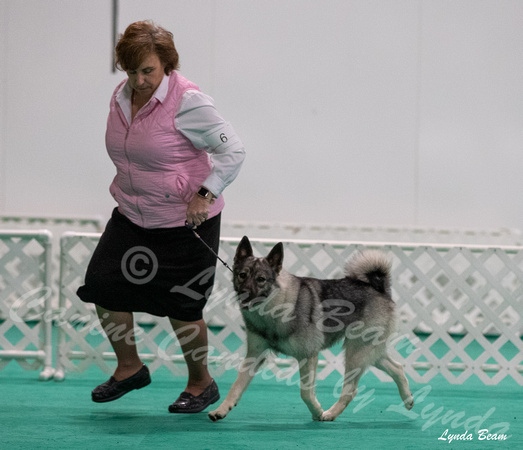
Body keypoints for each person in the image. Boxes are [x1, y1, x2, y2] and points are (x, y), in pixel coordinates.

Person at [76, 20, 245, 413]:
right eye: (131, 71)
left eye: (147, 70)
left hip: (186, 221)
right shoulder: (120, 97)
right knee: (102, 286)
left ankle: (201, 383)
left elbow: (233, 152)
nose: (138, 79)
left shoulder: (190, 101)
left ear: (166, 64)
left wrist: (205, 193)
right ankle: (129, 368)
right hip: (133, 214)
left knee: (183, 307)